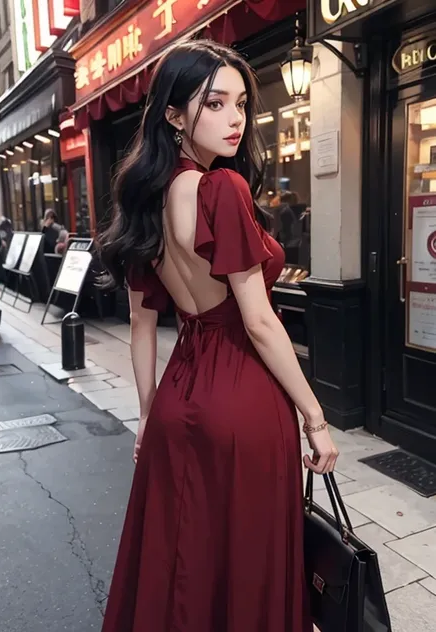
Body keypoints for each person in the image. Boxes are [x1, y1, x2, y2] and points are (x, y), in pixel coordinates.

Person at [98, 40, 339, 632]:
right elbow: (257, 320)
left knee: (184, 552)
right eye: (214, 104)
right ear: (175, 115)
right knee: (246, 555)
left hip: (180, 392)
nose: (234, 119)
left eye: (240, 104)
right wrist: (315, 416)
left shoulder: (144, 201)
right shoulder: (220, 189)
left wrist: (148, 413)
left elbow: (142, 323)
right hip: (241, 394)